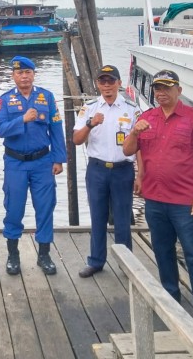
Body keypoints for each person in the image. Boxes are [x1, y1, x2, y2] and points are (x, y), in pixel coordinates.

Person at [122, 69, 193, 329]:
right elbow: (128, 150)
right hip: (154, 200)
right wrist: (134, 132)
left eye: (167, 87)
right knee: (163, 251)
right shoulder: (146, 117)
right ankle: (170, 296)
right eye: (157, 88)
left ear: (179, 90)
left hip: (185, 201)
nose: (161, 92)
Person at [0, 56, 65, 276]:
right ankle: (13, 255)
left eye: (28, 72)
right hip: (15, 162)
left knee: (45, 207)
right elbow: (0, 129)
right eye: (19, 73)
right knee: (14, 208)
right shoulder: (5, 100)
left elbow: (56, 129)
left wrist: (58, 158)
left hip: (42, 163)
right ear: (13, 76)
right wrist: (22, 120)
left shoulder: (47, 97)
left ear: (34, 74)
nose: (24, 76)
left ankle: (44, 254)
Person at [73, 65, 139, 278]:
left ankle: (126, 263)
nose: (107, 85)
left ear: (120, 83)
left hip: (123, 169)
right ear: (97, 84)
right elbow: (76, 140)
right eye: (103, 81)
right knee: (97, 216)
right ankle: (96, 261)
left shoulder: (132, 108)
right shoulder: (89, 108)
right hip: (97, 170)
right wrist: (91, 124)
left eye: (111, 81)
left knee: (122, 219)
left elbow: (142, 146)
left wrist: (142, 176)